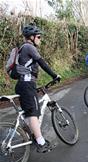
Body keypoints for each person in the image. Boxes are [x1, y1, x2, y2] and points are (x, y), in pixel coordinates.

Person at [15, 23, 60, 153]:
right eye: (39, 37)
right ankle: (41, 142)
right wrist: (54, 75)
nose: (40, 39)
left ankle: (30, 135)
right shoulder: (29, 47)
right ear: (32, 37)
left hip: (22, 84)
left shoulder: (22, 48)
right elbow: (42, 63)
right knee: (33, 112)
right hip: (27, 84)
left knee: (29, 112)